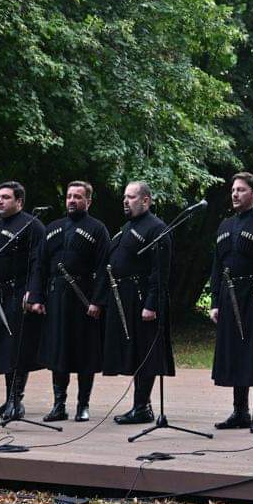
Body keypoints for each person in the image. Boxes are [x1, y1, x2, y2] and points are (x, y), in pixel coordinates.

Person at [209, 173, 253, 433]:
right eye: (233, 190)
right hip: (229, 298)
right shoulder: (225, 225)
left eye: (240, 190)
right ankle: (240, 412)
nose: (235, 194)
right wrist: (215, 301)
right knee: (236, 354)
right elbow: (217, 266)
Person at [32, 181, 109, 422]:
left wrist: (98, 301)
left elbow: (104, 268)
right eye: (69, 196)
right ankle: (59, 405)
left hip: (84, 298)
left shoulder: (98, 229)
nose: (72, 200)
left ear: (89, 201)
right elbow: (40, 265)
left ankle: (83, 405)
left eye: (78, 196)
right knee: (58, 352)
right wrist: (36, 296)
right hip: (56, 298)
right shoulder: (53, 227)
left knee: (85, 353)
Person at [99, 181, 175, 425]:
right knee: (133, 352)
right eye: (125, 196)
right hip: (124, 296)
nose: (125, 201)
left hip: (142, 298)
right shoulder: (127, 227)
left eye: (131, 197)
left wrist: (152, 304)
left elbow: (160, 271)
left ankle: (142, 407)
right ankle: (141, 406)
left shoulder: (157, 228)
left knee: (145, 353)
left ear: (146, 200)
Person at [0, 181, 46, 420]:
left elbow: (39, 262)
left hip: (18, 293)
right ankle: (9, 399)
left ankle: (16, 401)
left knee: (17, 348)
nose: (0, 201)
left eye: (6, 197)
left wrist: (33, 292)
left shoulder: (32, 226)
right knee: (3, 348)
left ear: (19, 201)